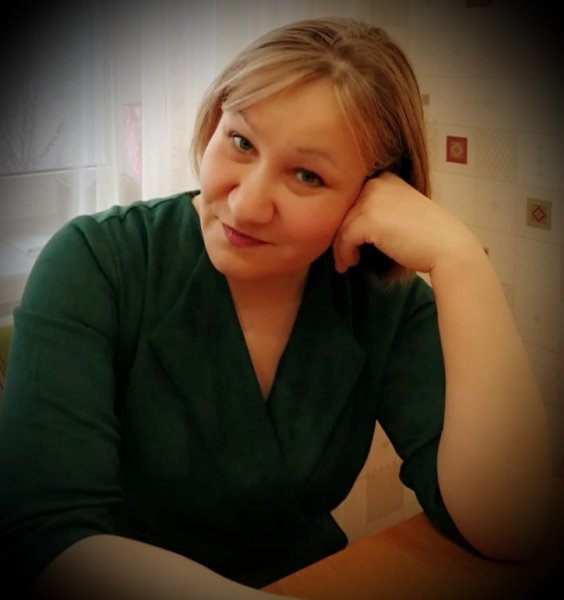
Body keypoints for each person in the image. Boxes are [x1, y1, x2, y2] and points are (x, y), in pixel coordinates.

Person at [0, 16, 552, 600]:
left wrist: (460, 259)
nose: (247, 204)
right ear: (215, 120)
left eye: (307, 175)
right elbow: (50, 541)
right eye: (241, 142)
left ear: (369, 194)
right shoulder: (96, 262)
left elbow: (508, 527)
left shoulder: (377, 300)